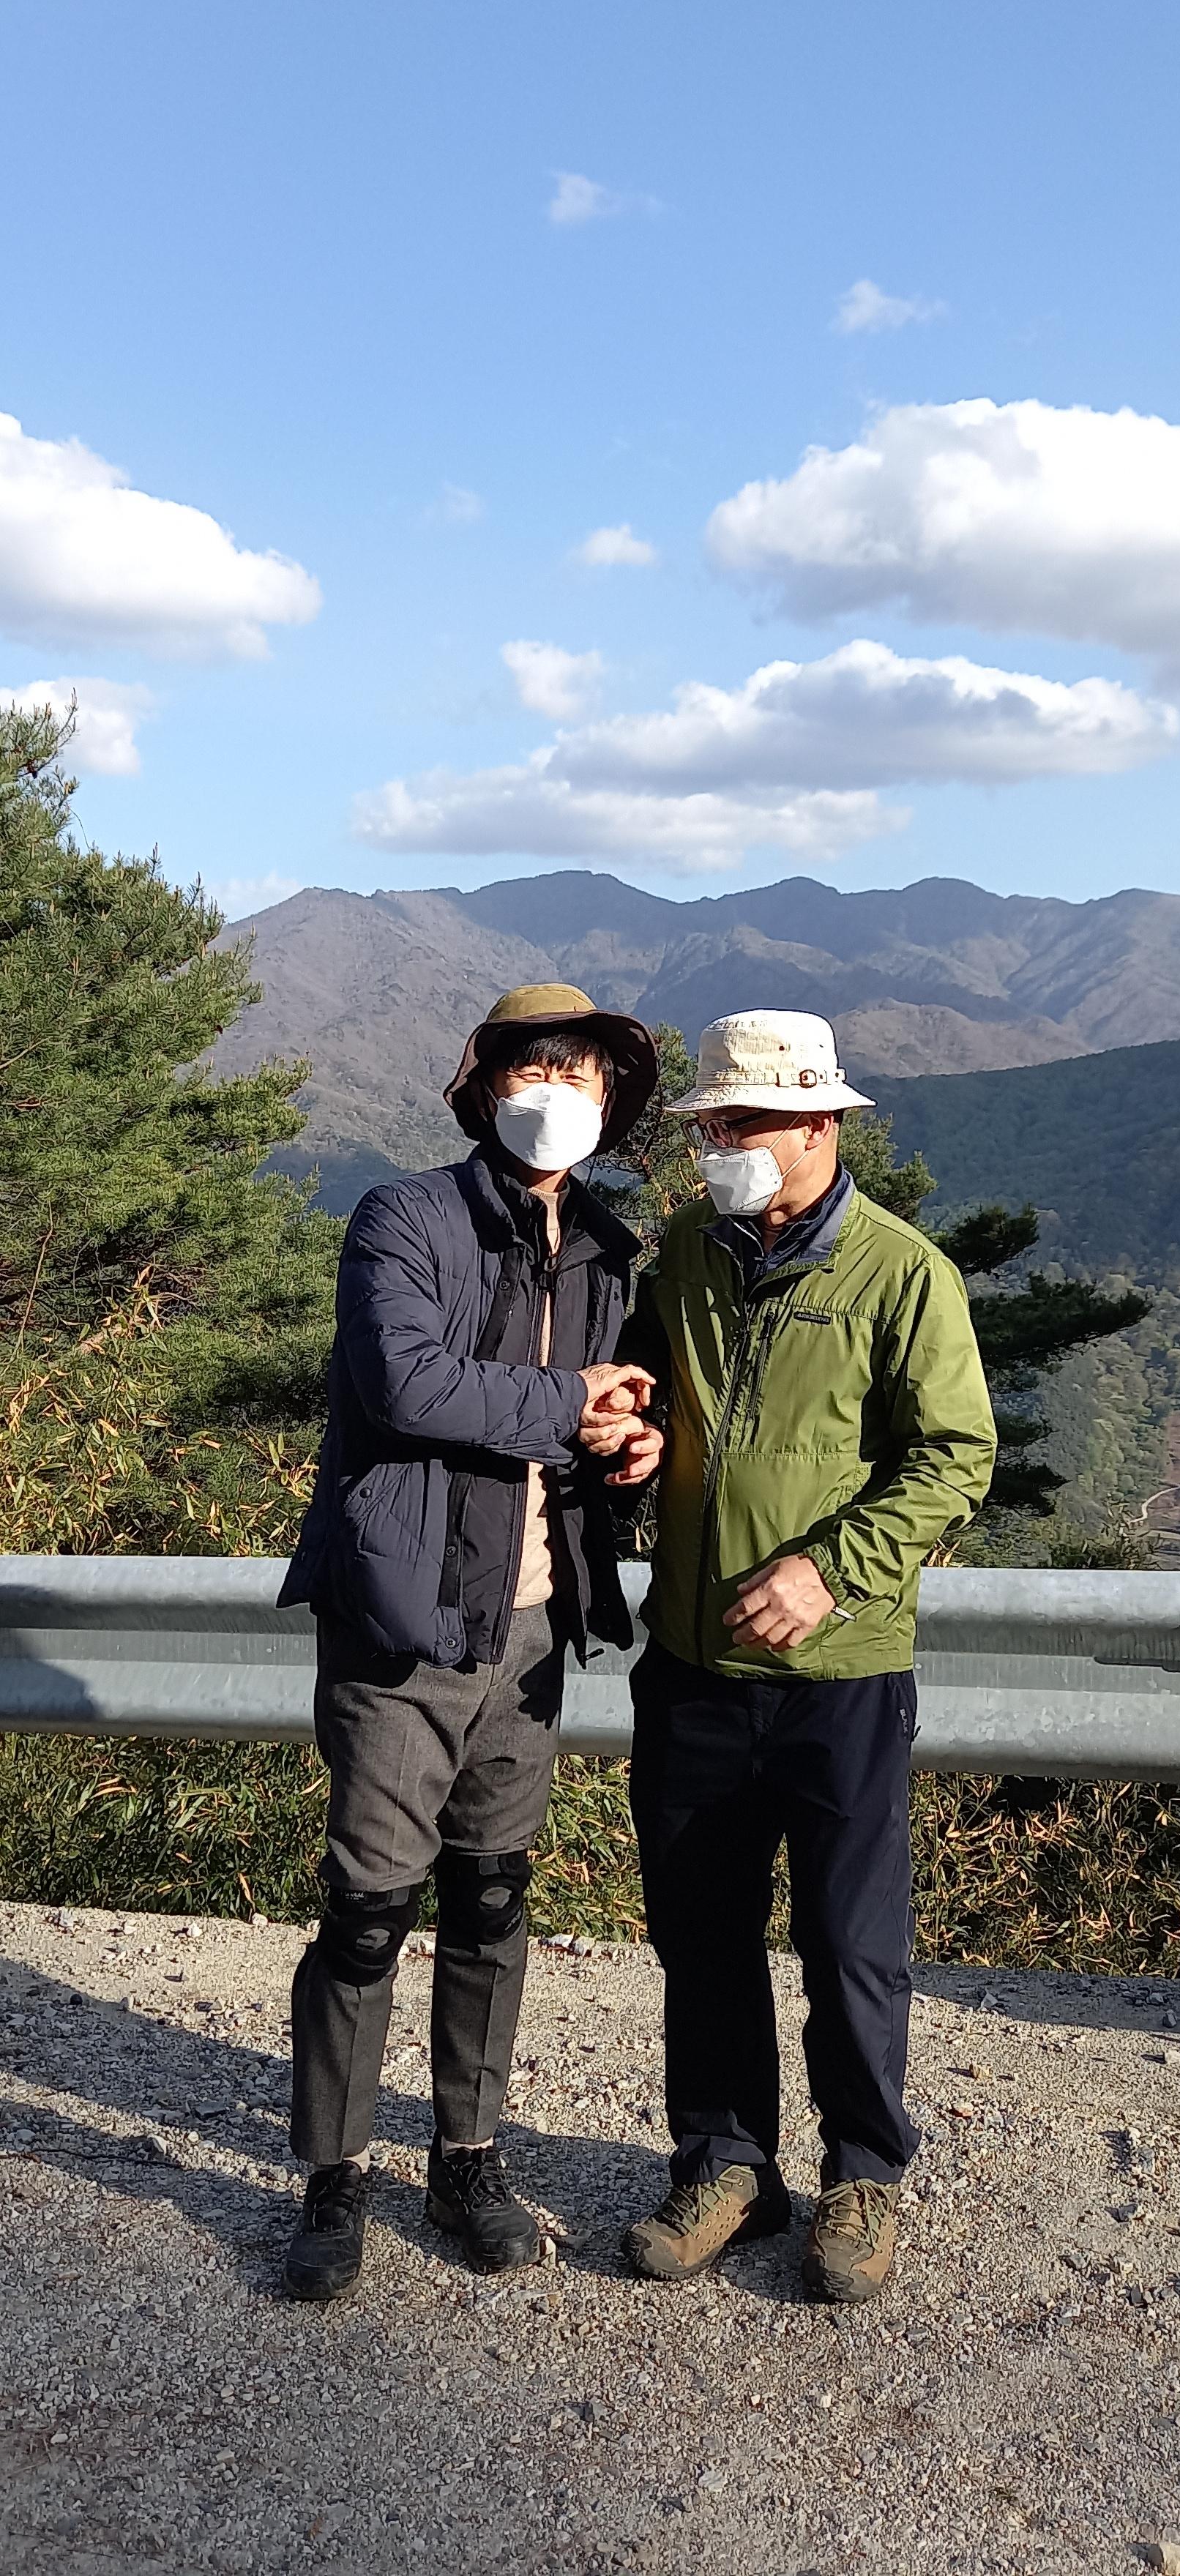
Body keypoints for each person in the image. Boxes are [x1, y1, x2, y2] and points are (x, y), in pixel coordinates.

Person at [277, 983, 659, 2301]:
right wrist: (570, 1397)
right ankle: (333, 2176)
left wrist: (627, 1445)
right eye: (533, 1069)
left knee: (492, 1898)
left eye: (583, 1075)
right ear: (487, 1087)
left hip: (535, 1623)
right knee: (369, 1911)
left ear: (610, 1101)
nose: (559, 1094)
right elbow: (407, 1383)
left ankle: (467, 2156)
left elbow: (586, 1429)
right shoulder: (405, 1218)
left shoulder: (606, 1248)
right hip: (404, 1623)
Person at [613, 1008, 997, 2303]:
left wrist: (828, 1568)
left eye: (747, 1124)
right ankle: (729, 2167)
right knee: (702, 1935)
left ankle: (863, 2176)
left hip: (841, 1673)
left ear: (821, 1126)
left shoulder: (901, 1273)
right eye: (712, 1124)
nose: (720, 1145)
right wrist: (636, 1441)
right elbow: (649, 1394)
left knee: (849, 1942)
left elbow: (956, 1457)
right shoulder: (687, 1253)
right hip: (692, 1663)